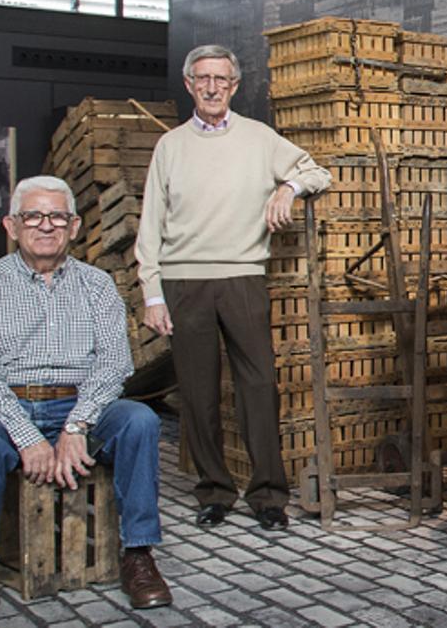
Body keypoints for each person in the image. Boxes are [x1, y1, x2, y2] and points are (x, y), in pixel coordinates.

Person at [0, 176, 170, 626]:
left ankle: (139, 554)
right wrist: (29, 437)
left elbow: (114, 364)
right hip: (6, 407)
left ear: (74, 226)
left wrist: (76, 425)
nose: (45, 226)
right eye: (33, 216)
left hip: (82, 402)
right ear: (11, 225)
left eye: (57, 217)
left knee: (140, 421)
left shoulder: (98, 286)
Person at [135, 44, 331, 531]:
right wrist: (152, 293)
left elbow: (317, 171)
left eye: (221, 79)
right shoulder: (171, 147)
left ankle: (268, 495)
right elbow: (149, 225)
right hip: (184, 282)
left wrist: (288, 187)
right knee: (198, 394)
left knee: (259, 387)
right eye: (203, 78)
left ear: (235, 86)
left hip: (243, 277)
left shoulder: (260, 139)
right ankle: (215, 491)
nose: (212, 87)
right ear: (189, 84)